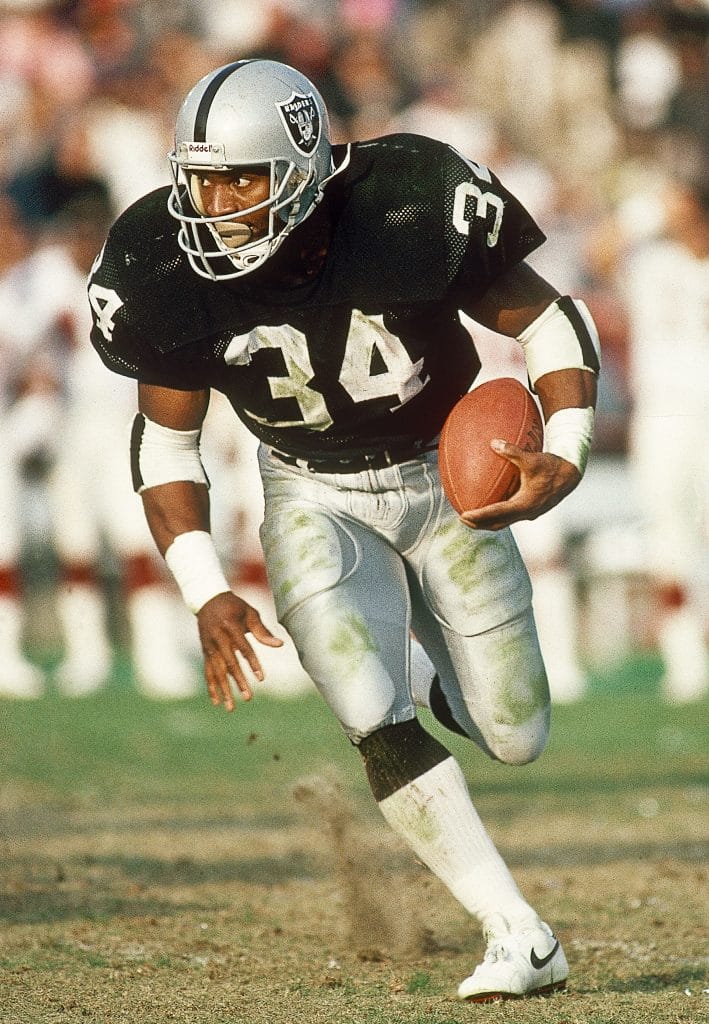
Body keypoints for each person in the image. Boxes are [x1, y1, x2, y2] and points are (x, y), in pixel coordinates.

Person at [87, 59, 600, 1001]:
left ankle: (433, 677)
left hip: (445, 479)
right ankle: (518, 932)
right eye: (200, 179)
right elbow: (166, 441)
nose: (213, 205)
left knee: (515, 734)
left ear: (302, 169)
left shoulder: (407, 201)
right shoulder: (158, 260)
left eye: (239, 179)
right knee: (369, 712)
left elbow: (547, 319)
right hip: (309, 490)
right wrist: (205, 589)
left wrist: (565, 446)